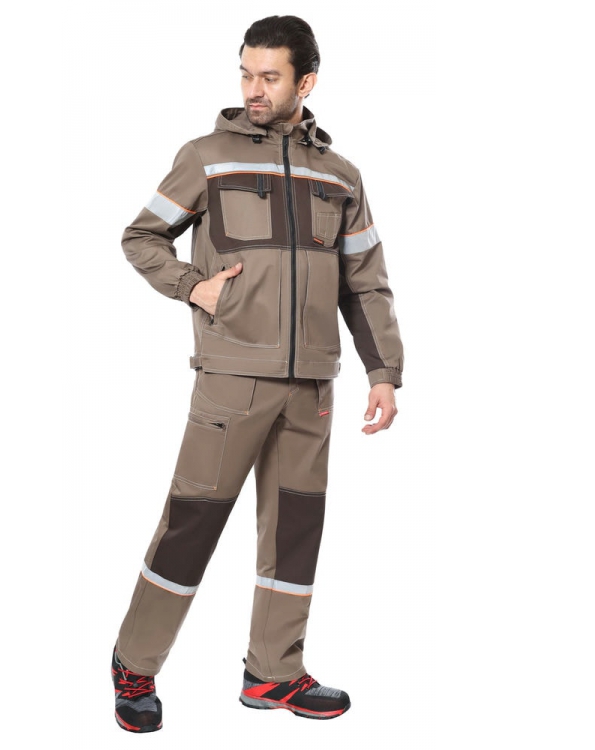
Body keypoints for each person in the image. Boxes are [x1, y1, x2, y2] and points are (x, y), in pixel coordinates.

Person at [111, 15, 404, 733]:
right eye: (246, 73)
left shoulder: (341, 176)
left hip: (313, 385)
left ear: (307, 82)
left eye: (270, 77)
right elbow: (141, 236)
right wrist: (194, 286)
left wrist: (383, 370)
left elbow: (364, 282)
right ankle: (134, 665)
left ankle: (273, 671)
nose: (253, 89)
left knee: (296, 530)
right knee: (192, 525)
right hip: (231, 377)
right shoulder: (206, 157)